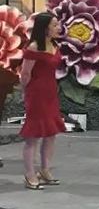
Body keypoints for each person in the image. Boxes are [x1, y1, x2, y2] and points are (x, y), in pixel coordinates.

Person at [20, 12, 65, 190]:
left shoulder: (54, 44)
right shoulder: (34, 47)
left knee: (50, 133)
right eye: (55, 25)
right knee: (33, 136)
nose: (58, 28)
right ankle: (30, 174)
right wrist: (26, 93)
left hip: (50, 93)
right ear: (45, 28)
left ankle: (45, 170)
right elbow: (25, 74)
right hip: (36, 94)